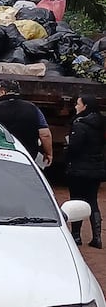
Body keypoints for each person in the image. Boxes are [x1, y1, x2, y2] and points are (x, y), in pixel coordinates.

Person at [66, 94, 104, 248]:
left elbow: (74, 147)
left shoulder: (79, 124)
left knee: (76, 201)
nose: (76, 106)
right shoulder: (101, 124)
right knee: (92, 200)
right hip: (96, 168)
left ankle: (76, 236)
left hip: (79, 169)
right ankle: (97, 237)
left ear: (85, 106)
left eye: (78, 104)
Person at [0, 80, 53, 166]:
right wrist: (48, 153)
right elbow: (45, 134)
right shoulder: (33, 108)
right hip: (27, 156)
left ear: (3, 92)